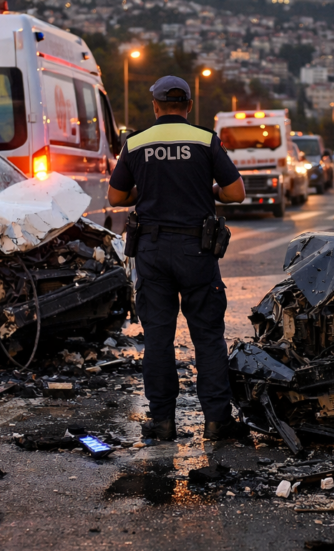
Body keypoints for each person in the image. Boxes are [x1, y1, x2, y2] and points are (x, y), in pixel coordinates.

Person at [108, 76, 247, 441]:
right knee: (208, 336)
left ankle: (162, 422)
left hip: (152, 251)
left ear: (155, 106)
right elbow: (235, 192)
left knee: (157, 338)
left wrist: (146, 190)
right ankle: (217, 422)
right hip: (196, 250)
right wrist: (208, 189)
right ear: (188, 106)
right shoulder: (205, 140)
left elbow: (116, 196)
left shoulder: (135, 143)